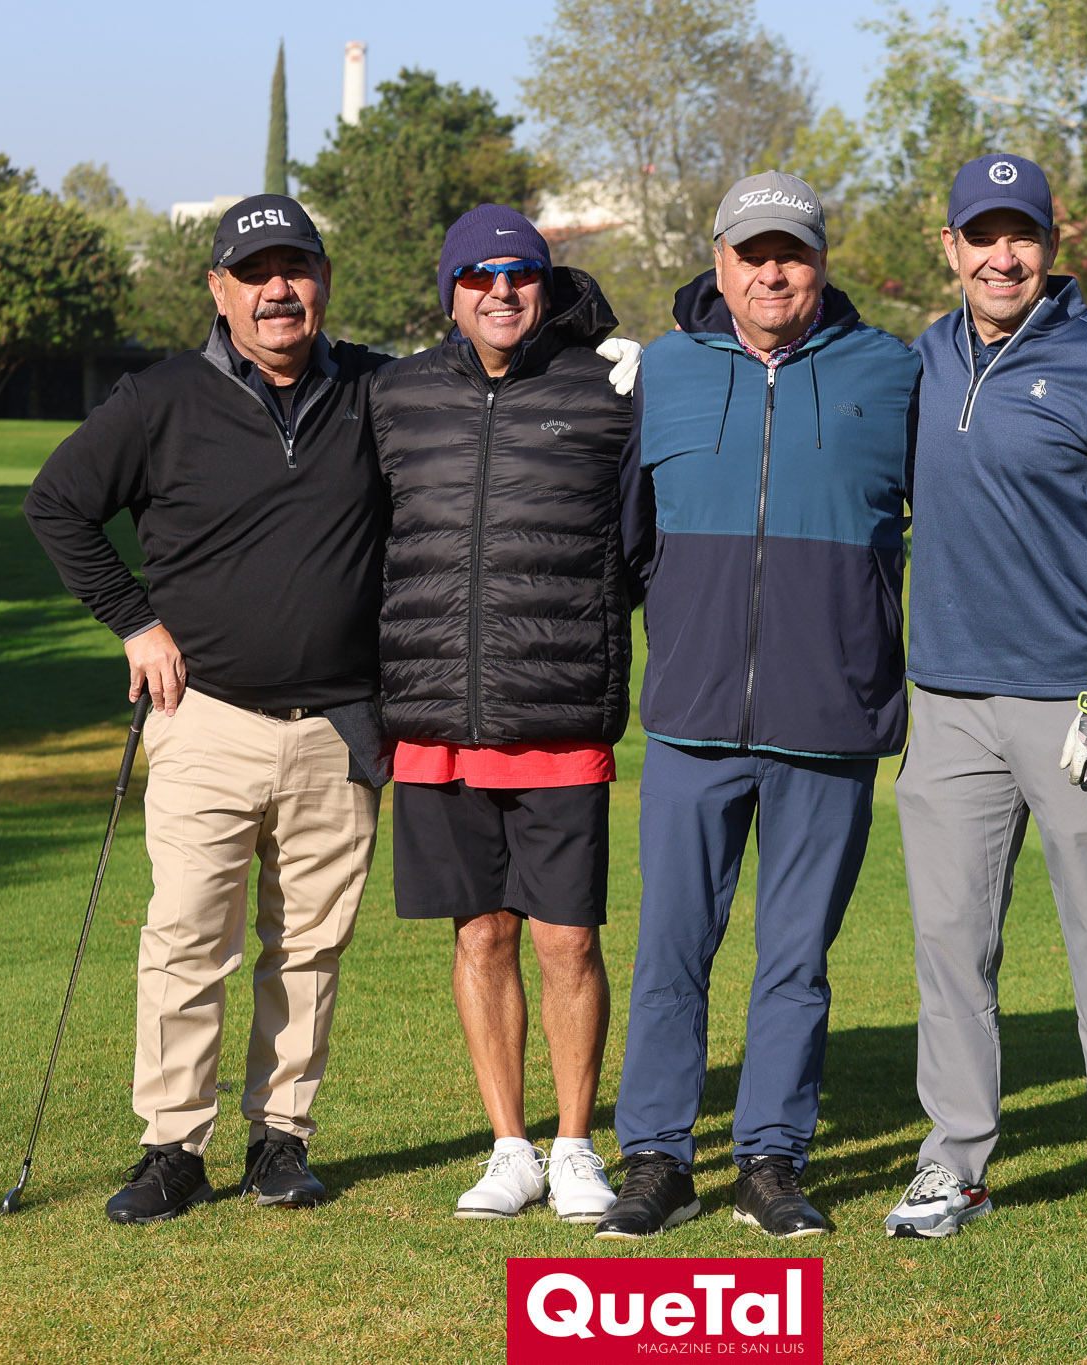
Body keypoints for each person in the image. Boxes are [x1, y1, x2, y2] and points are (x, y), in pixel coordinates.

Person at [24, 194, 392, 1225]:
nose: (279, 291)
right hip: (207, 717)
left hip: (339, 725)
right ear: (219, 291)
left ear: (324, 280)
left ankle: (281, 1140)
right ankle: (172, 1148)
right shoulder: (160, 399)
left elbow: (488, 364)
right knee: (187, 938)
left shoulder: (377, 389)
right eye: (255, 274)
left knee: (310, 946)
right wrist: (135, 623)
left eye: (296, 269)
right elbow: (57, 504)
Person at [597, 172, 921, 1241]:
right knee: (670, 950)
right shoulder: (666, 370)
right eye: (752, 253)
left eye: (791, 252)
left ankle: (770, 1161)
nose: (771, 272)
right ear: (719, 261)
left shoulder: (893, 371)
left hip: (830, 722)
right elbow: (626, 541)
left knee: (795, 962)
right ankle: (656, 1157)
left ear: (821, 262)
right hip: (691, 721)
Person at [882, 154, 1087, 1245]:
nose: (1001, 257)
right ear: (950, 247)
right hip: (947, 702)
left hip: (1070, 703)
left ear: (1051, 245)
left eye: (1021, 236)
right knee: (950, 946)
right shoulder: (923, 359)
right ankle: (953, 1162)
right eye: (982, 236)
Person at [366, 204, 637, 1224]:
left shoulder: (607, 391)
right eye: (477, 277)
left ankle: (574, 1146)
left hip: (559, 715)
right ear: (450, 291)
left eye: (519, 273)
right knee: (480, 935)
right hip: (436, 719)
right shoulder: (395, 395)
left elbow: (643, 543)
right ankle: (510, 1147)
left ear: (545, 284)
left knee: (566, 942)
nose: (500, 291)